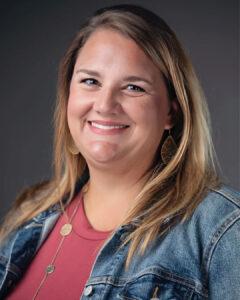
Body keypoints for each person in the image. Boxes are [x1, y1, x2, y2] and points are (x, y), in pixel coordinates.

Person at [0, 4, 239, 300]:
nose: (104, 104)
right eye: (91, 81)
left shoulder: (222, 228)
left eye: (133, 87)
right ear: (68, 95)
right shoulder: (27, 217)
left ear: (171, 113)